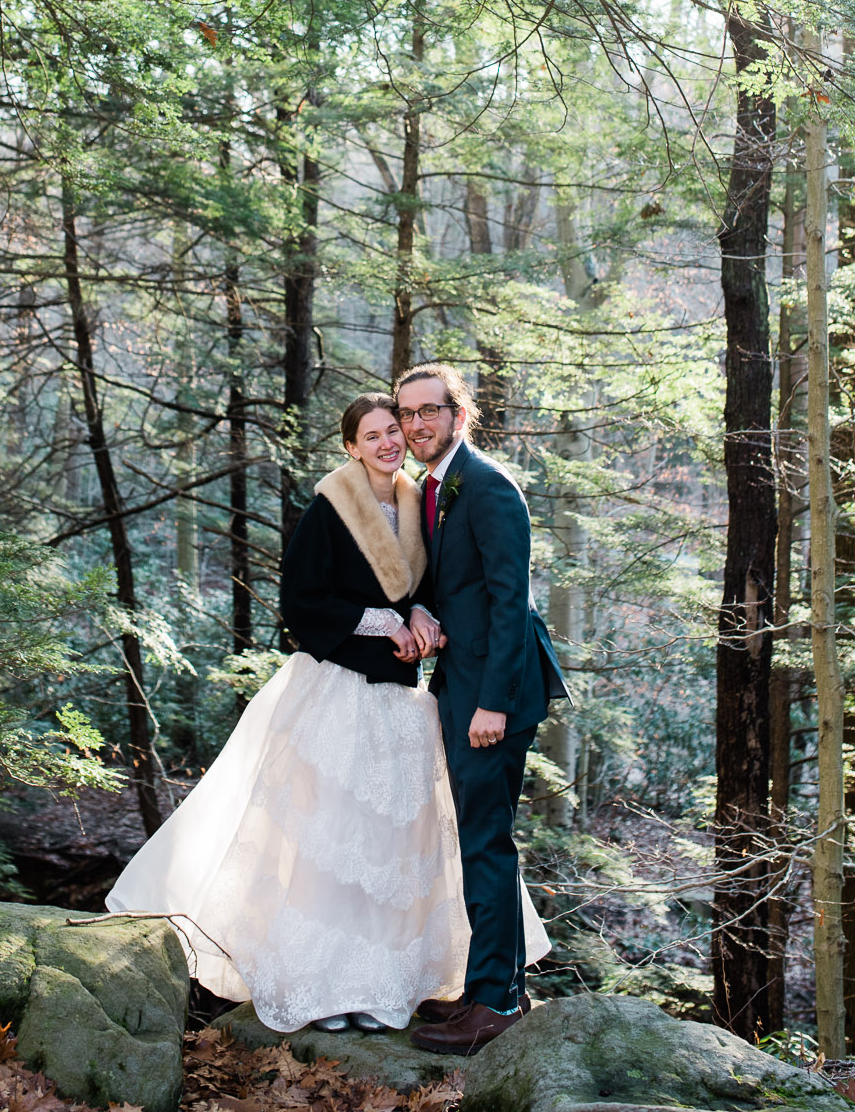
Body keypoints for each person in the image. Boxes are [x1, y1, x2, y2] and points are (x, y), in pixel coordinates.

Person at [103, 393, 545, 1032]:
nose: (391, 441)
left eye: (395, 429)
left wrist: (420, 613)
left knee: (388, 850)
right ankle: (320, 985)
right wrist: (384, 620)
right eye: (374, 435)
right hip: (340, 690)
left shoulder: (423, 502)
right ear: (351, 447)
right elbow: (303, 604)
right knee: (328, 844)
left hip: (403, 698)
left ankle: (376, 985)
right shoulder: (329, 508)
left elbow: (445, 589)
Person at [395, 360, 568, 1056]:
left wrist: (491, 705)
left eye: (428, 411)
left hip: (494, 699)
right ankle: (483, 988)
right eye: (406, 414)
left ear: (457, 415)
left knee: (486, 845)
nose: (415, 425)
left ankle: (497, 1003)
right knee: (475, 843)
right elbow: (454, 586)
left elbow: (509, 603)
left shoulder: (489, 487)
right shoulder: (436, 489)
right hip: (462, 685)